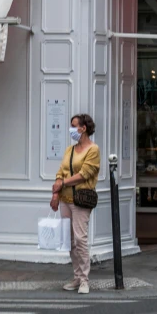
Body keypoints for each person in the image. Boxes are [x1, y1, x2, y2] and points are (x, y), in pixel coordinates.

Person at [50, 113, 100, 294]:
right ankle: (77, 277)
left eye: (74, 125)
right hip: (65, 199)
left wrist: (63, 183)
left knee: (80, 239)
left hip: (81, 199)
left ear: (83, 128)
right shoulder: (69, 150)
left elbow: (84, 174)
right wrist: (56, 192)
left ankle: (85, 279)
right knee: (70, 240)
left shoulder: (93, 150)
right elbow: (61, 171)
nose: (71, 129)